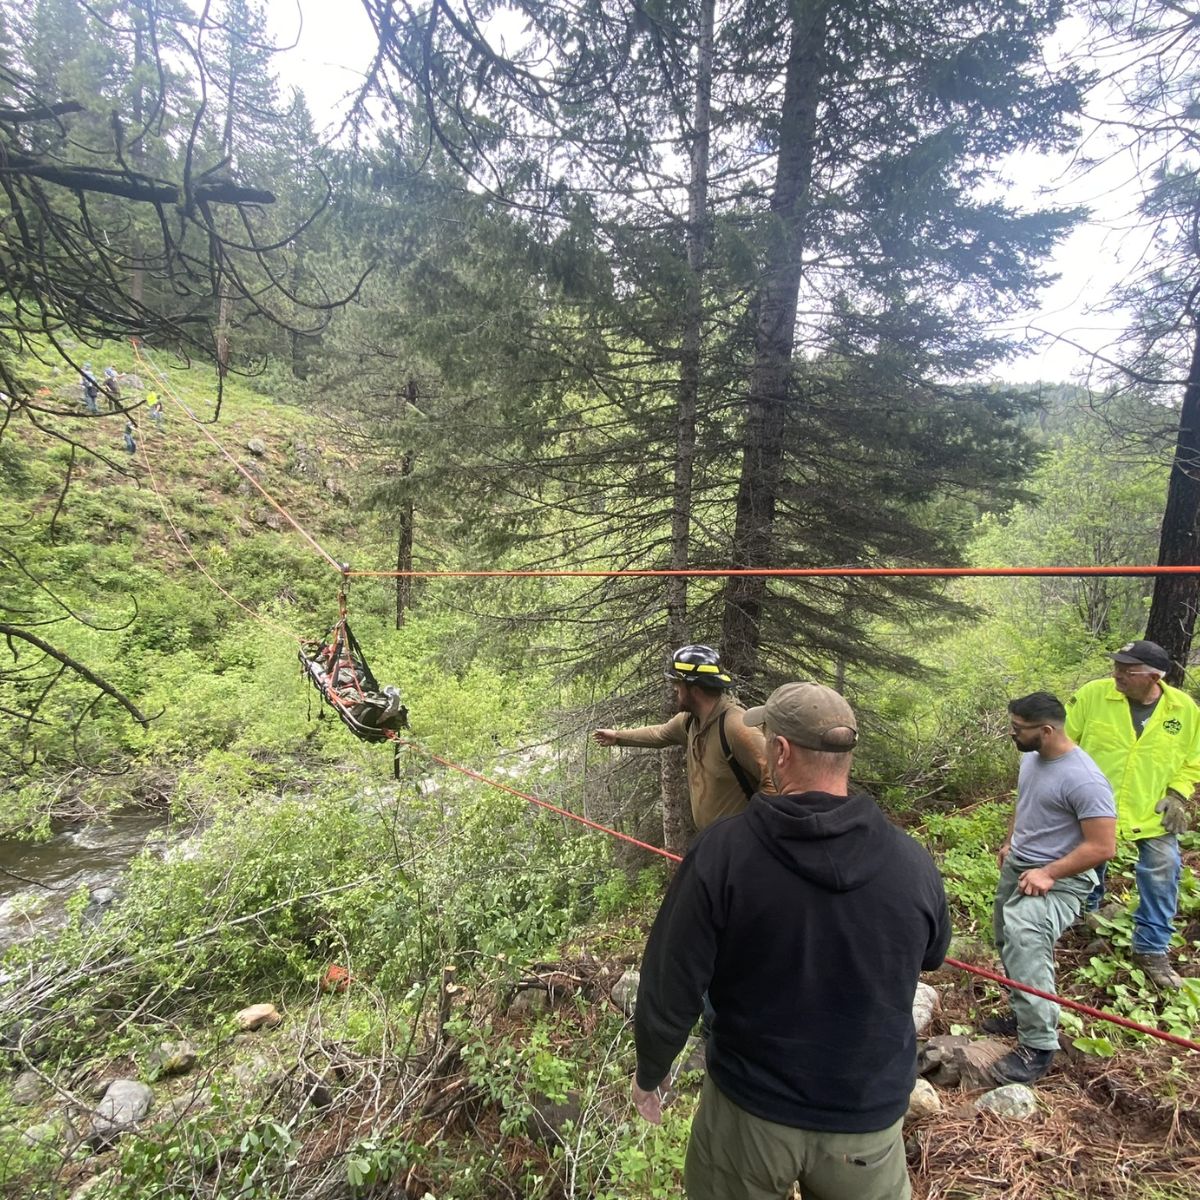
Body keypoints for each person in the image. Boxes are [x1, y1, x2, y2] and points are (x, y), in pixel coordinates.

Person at [631, 682, 950, 1200]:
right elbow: (932, 954)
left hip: (749, 1112)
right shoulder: (911, 863)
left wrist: (651, 1072)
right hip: (865, 1122)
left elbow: (671, 981)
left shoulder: (722, 855)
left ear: (778, 751)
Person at [986, 692, 1116, 1085]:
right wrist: (1012, 842)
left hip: (1062, 876)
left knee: (1025, 934)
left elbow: (1102, 846)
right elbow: (1024, 803)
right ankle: (1025, 1010)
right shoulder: (1032, 758)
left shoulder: (1084, 778)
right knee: (1006, 936)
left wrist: (1050, 873)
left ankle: (1039, 1046)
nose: (1012, 735)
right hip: (1021, 865)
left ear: (1046, 730)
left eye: (1017, 729)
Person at [1065, 640, 1200, 989]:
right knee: (1088, 863)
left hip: (1149, 809)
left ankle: (1151, 948)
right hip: (1094, 806)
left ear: (1154, 676)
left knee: (1163, 869)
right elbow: (1064, 743)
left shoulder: (1183, 710)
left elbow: (1192, 760)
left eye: (1128, 670)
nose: (1118, 675)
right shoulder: (1094, 695)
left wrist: (1177, 795)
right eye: (1117, 667)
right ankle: (1086, 916)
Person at [593, 644, 773, 831]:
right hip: (714, 846)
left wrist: (755, 830)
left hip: (740, 848)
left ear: (695, 690)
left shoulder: (735, 726)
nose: (674, 689)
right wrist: (617, 737)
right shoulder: (689, 721)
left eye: (677, 684)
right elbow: (659, 734)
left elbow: (774, 779)